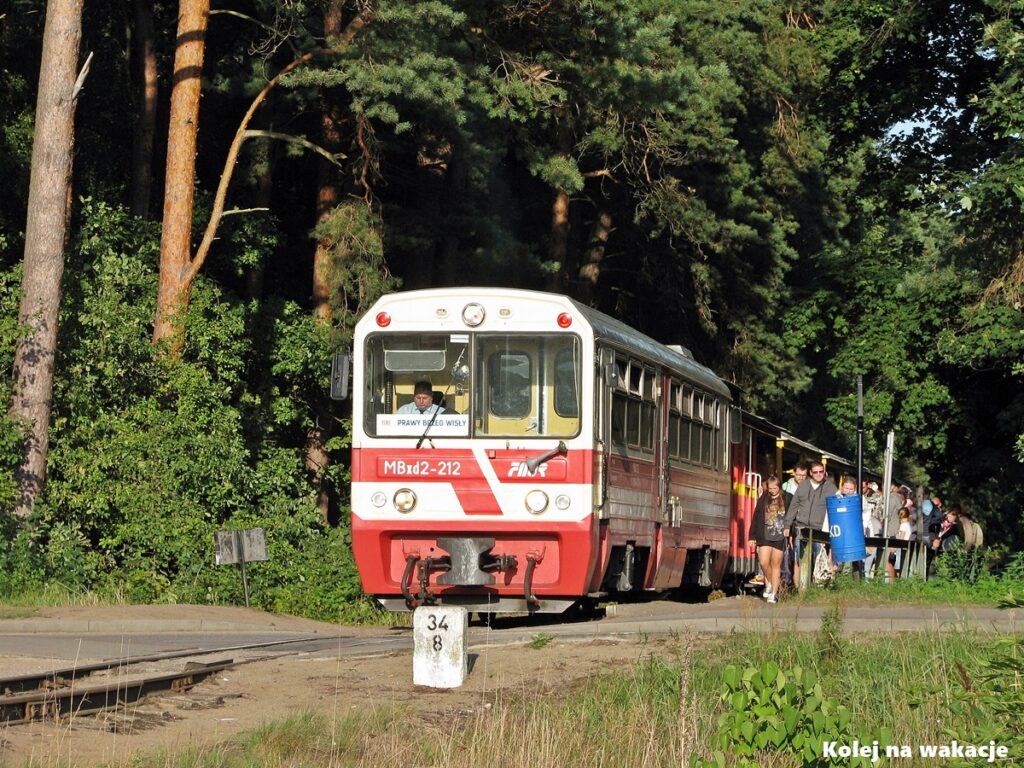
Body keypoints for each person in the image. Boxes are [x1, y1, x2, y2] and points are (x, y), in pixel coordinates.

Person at [782, 461, 837, 589]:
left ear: (824, 472)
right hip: (802, 528)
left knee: (818, 560)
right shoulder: (803, 486)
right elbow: (794, 506)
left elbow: (836, 509)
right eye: (815, 472)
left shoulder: (831, 488)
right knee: (799, 559)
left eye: (821, 471)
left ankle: (817, 588)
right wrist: (786, 525)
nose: (818, 474)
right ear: (810, 473)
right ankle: (801, 589)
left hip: (820, 531)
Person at [747, 476, 792, 604]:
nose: (772, 491)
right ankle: (771, 583)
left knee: (776, 565)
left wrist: (791, 531)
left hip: (780, 535)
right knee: (763, 561)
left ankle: (774, 593)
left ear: (779, 487)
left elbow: (792, 515)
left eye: (774, 488)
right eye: (770, 488)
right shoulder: (764, 498)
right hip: (765, 534)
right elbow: (756, 516)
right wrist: (752, 536)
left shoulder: (787, 498)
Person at [887, 508, 912, 581]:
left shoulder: (903, 525)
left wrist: (894, 549)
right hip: (905, 547)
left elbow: (901, 538)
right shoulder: (908, 524)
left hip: (900, 548)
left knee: (894, 567)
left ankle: (893, 582)